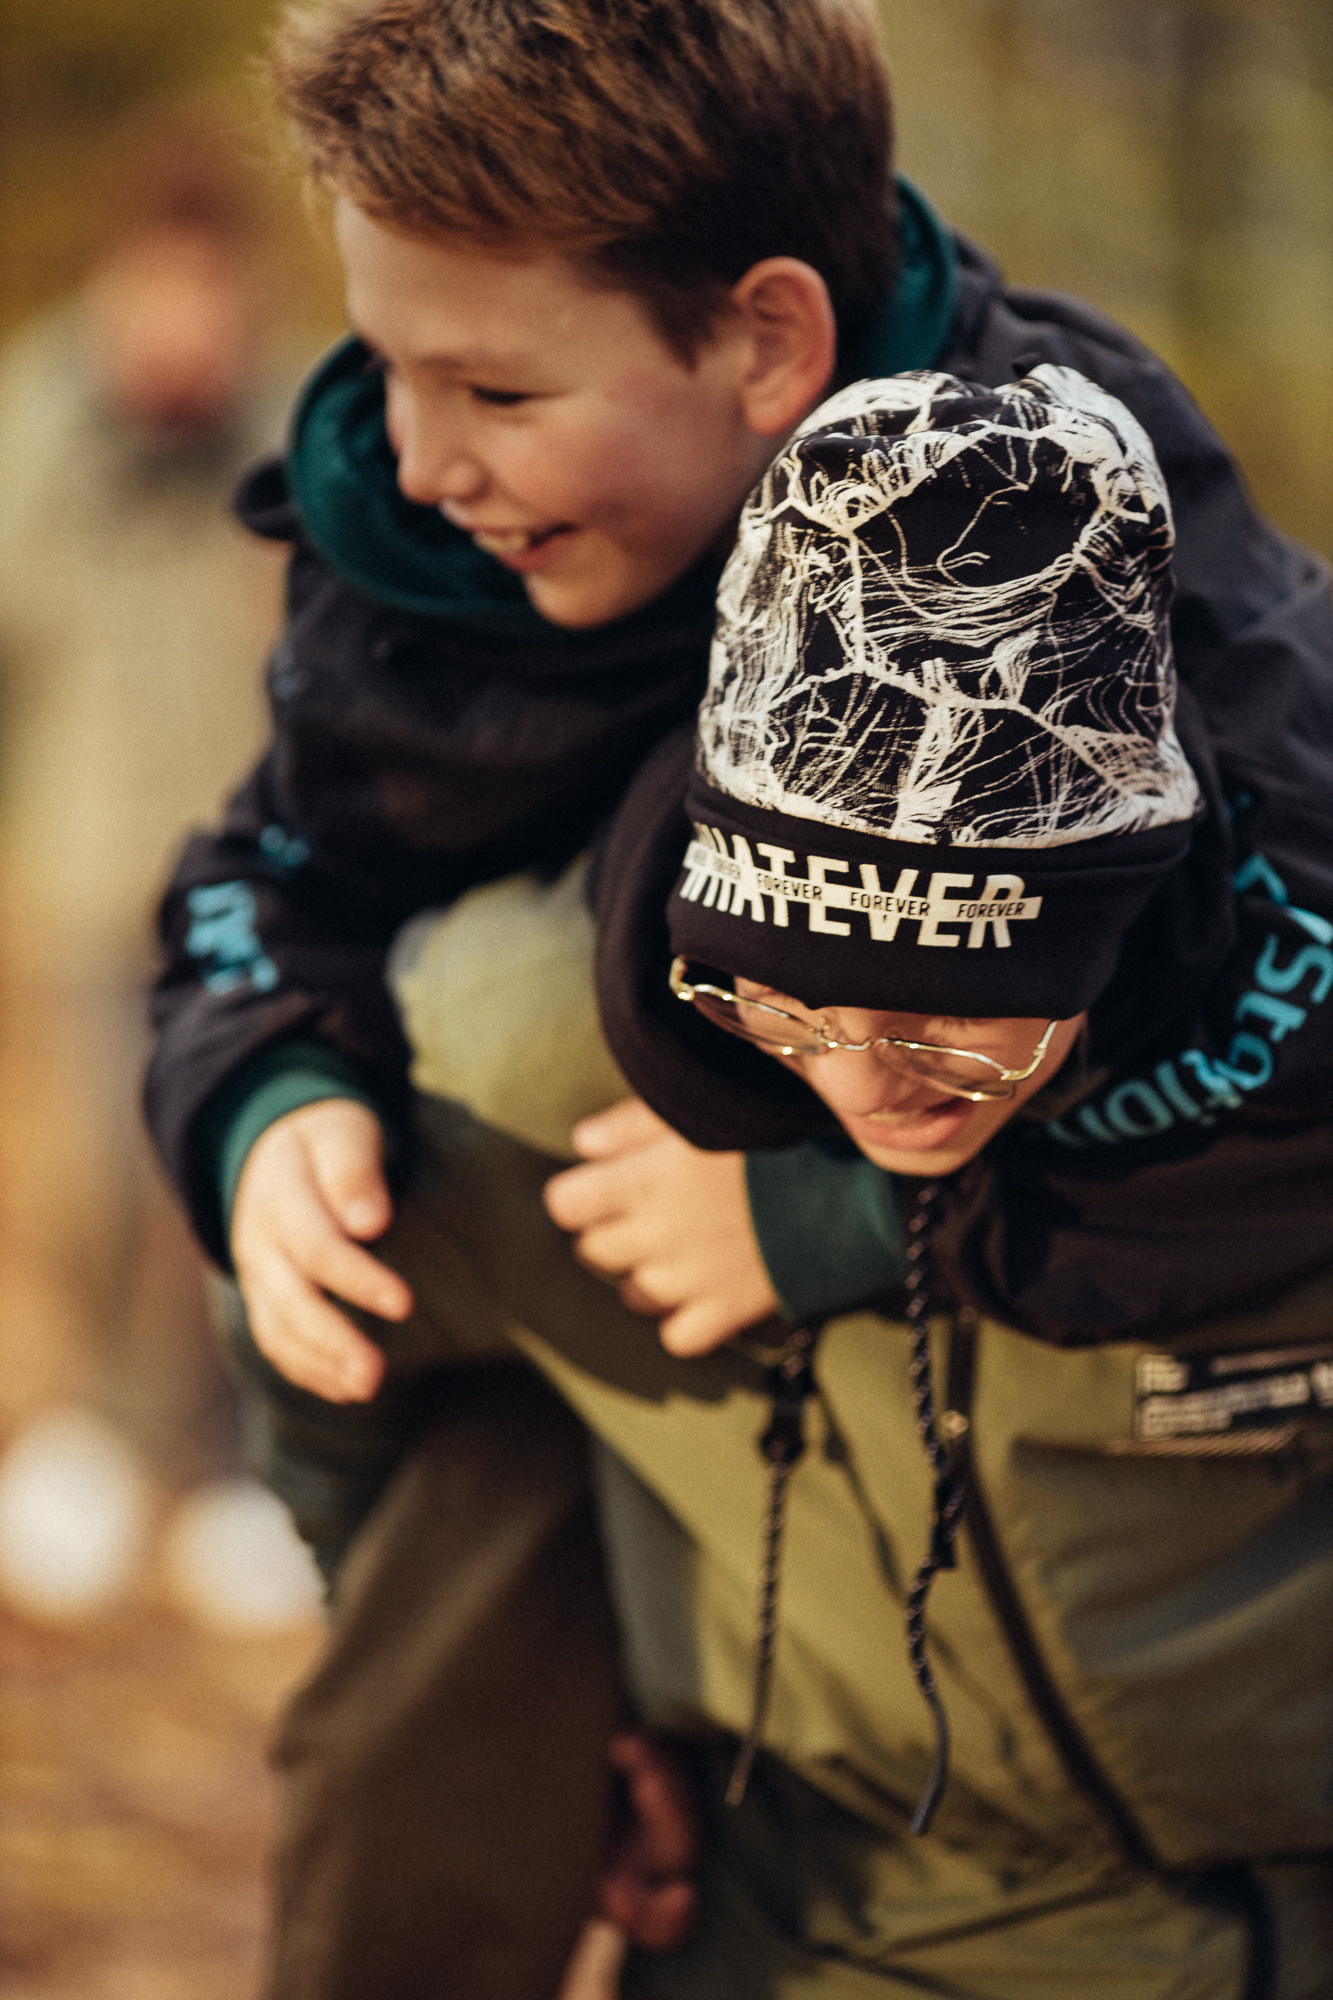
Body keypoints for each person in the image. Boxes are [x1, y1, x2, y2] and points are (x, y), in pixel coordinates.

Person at [140, 2, 1333, 1992]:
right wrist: (266, 1087)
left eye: (494, 387)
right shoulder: (423, 556)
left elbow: (1294, 969)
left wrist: (832, 1202)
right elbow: (261, 871)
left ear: (769, 342)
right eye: (384, 366)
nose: (416, 459)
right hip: (714, 1637)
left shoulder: (1081, 540)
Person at [0, 102, 300, 1463]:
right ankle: (90, 1434)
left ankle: (221, 1454)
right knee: (93, 1179)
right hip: (82, 867)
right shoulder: (37, 418)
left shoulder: (291, 425)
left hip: (246, 873)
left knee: (228, 1163)